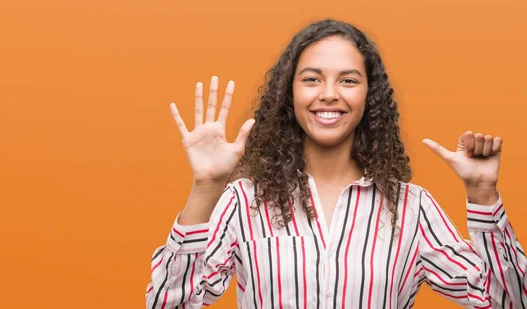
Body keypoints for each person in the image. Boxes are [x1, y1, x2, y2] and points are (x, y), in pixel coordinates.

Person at [145, 19, 526, 308]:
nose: (329, 95)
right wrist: (207, 187)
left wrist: (482, 196)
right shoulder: (244, 202)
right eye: (312, 79)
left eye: (348, 81)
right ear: (289, 93)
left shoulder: (412, 209)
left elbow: (510, 301)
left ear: (368, 97)